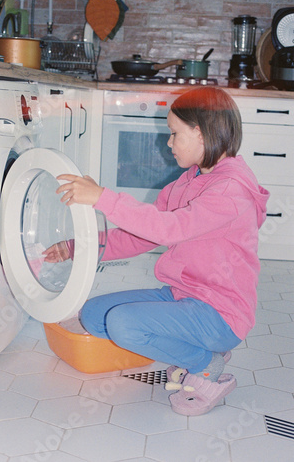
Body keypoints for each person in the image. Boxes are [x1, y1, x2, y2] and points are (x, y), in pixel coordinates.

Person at [43, 86, 269, 416]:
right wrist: (76, 248)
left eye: (174, 134)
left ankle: (206, 364)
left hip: (221, 314)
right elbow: (141, 237)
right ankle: (192, 350)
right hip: (183, 296)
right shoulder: (186, 181)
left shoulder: (229, 190)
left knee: (123, 323)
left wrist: (103, 198)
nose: (168, 143)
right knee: (94, 315)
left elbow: (167, 229)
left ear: (200, 133)